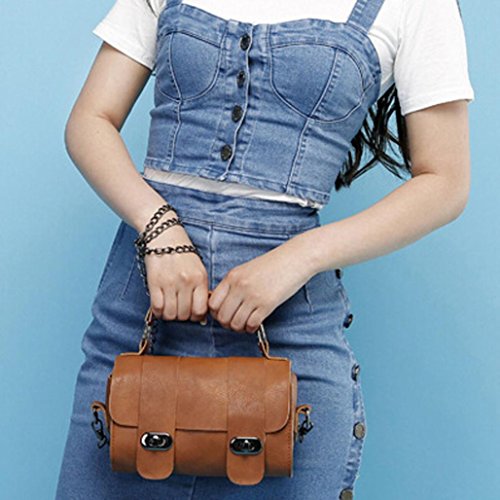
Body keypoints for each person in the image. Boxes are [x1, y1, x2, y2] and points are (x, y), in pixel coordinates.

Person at [55, 0, 474, 498]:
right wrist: (159, 228)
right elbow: (90, 119)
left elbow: (445, 182)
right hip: (139, 316)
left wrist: (298, 258)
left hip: (291, 337)